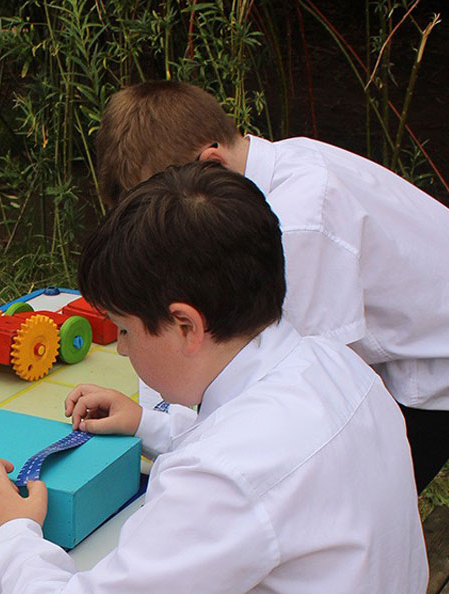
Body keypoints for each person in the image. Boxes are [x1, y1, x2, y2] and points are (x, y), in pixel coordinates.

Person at [0, 162, 427, 594]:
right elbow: (262, 453)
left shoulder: (220, 479)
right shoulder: (335, 364)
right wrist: (150, 424)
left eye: (127, 330)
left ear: (186, 327)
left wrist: (9, 535)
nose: (124, 348)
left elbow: (238, 471)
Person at [94, 80, 449, 490]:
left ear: (210, 166)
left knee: (354, 489)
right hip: (397, 352)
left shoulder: (298, 223)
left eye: (168, 210)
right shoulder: (283, 165)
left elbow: (299, 399)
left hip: (431, 370)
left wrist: (179, 444)